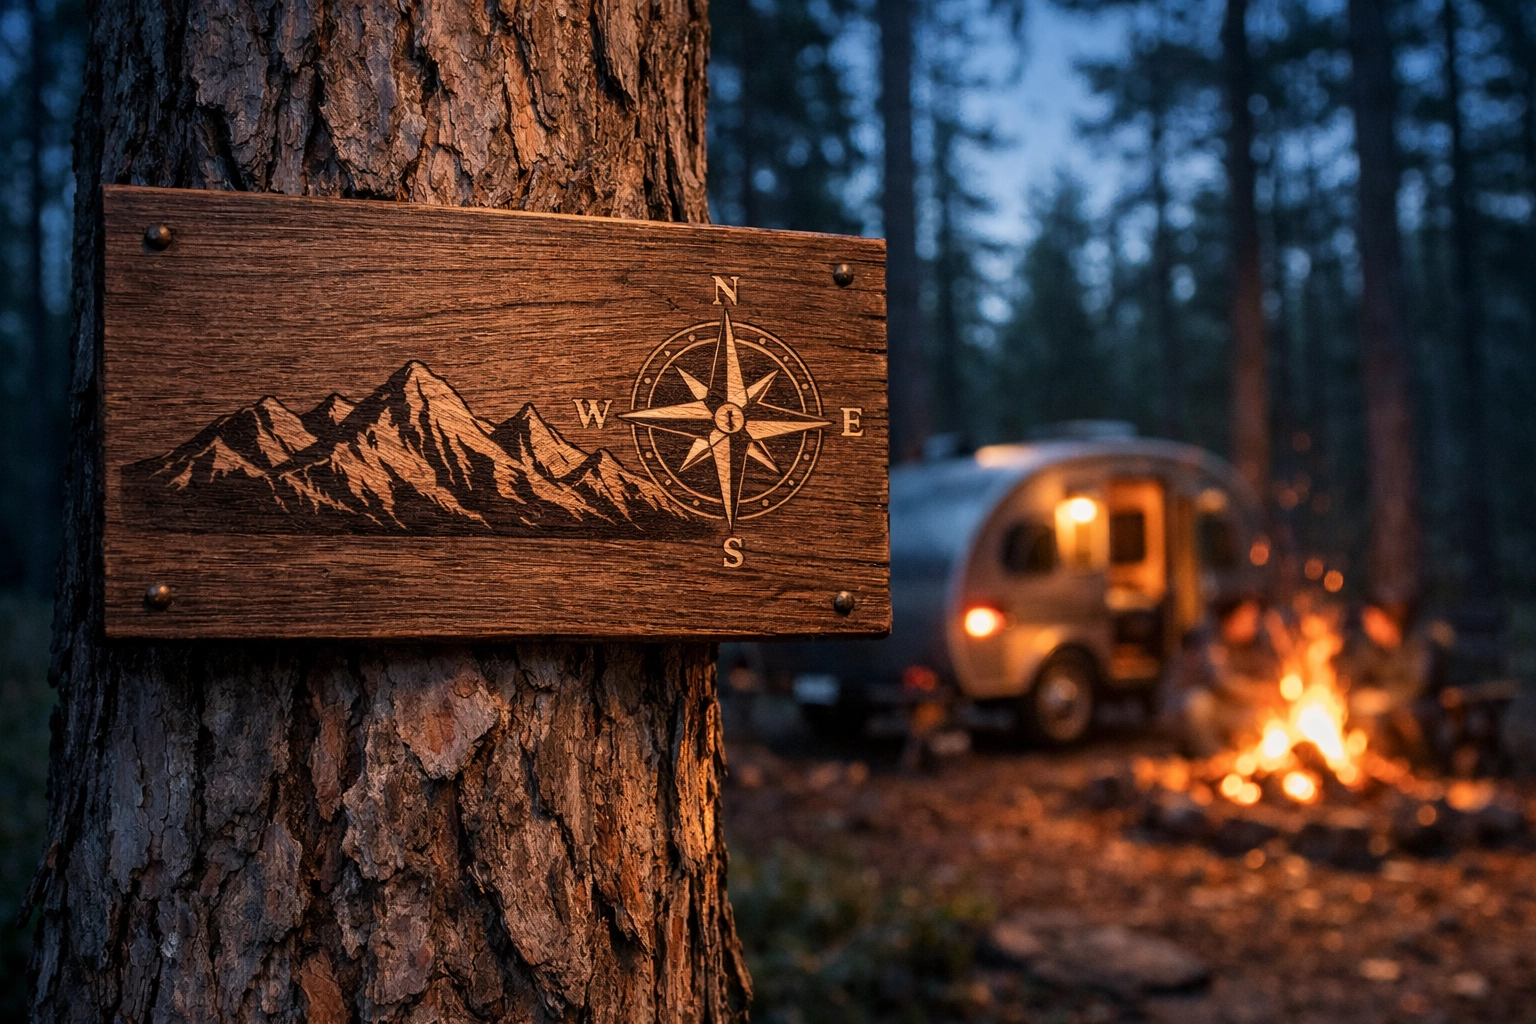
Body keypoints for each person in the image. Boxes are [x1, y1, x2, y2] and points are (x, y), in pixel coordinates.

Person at [1170, 595, 1282, 757]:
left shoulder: (1252, 645)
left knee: (1262, 716)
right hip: (1179, 707)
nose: (1253, 625)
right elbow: (1220, 681)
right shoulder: (1207, 640)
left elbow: (1268, 670)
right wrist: (1262, 692)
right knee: (1198, 704)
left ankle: (1242, 756)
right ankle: (1212, 756)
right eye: (1247, 619)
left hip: (1222, 707)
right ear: (1230, 619)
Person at [1337, 601, 1435, 764]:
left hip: (1417, 706)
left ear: (1387, 620)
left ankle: (1419, 764)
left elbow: (1418, 685)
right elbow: (1355, 675)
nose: (1367, 627)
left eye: (1372, 620)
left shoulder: (1417, 644)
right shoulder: (1369, 647)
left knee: (1405, 718)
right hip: (1380, 707)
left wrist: (1384, 698)